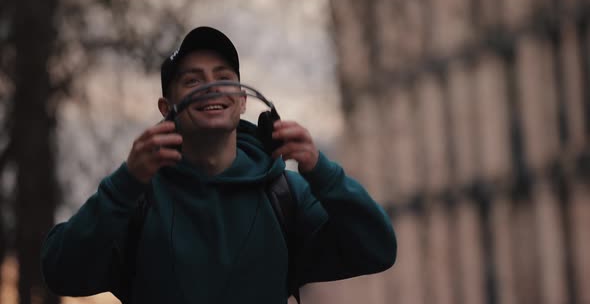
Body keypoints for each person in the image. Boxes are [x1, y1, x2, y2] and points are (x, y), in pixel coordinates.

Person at [41, 26, 396, 304]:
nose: (211, 88)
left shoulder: (287, 194)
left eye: (223, 77)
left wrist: (321, 171)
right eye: (193, 81)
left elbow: (378, 250)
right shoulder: (136, 197)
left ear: (242, 101)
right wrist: (125, 184)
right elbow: (61, 273)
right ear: (167, 109)